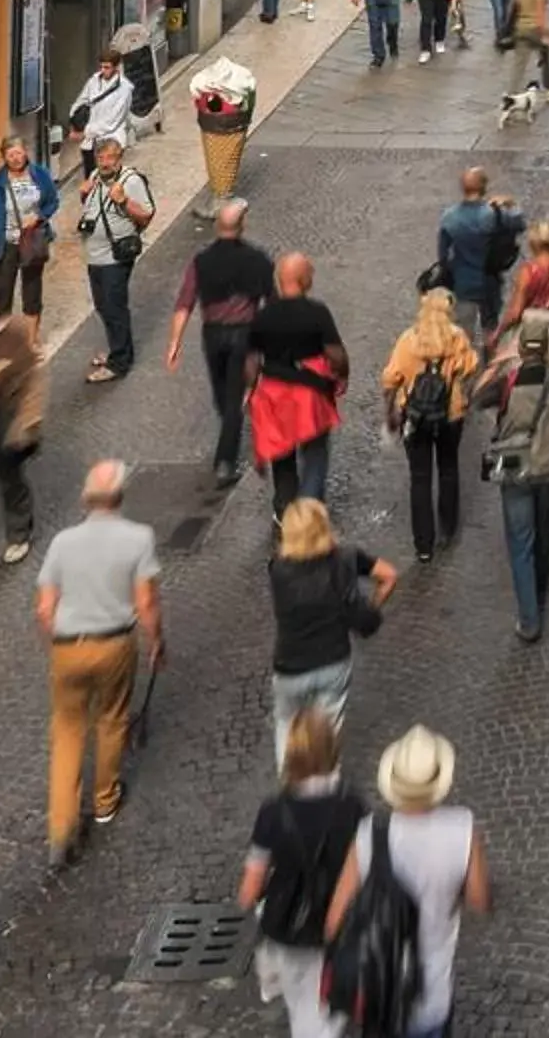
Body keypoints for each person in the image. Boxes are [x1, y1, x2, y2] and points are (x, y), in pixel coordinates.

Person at [36, 460, 162, 867]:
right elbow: (145, 603)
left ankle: (60, 829)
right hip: (114, 644)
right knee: (111, 719)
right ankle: (105, 799)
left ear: (85, 500)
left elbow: (44, 608)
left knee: (68, 731)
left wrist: (59, 640)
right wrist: (157, 640)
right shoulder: (138, 538)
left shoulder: (60, 543)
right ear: (120, 497)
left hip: (68, 645)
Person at [325, 726, 490, 1035]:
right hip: (433, 996)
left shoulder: (369, 834)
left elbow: (334, 922)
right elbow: (479, 901)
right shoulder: (464, 829)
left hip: (381, 997)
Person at [238, 706, 365, 1038]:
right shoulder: (353, 806)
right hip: (341, 922)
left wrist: (258, 898)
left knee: (304, 1010)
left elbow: (249, 890)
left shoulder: (273, 811)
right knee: (333, 1001)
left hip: (291, 923)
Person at [470, 318, 549, 642]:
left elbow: (477, 398)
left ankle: (530, 618)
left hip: (517, 468)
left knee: (520, 539)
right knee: (545, 526)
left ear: (522, 349)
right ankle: (541, 583)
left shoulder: (508, 382)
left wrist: (495, 362)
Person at [268, 498, 397, 768]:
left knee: (286, 727)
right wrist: (370, 607)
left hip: (290, 666)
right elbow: (389, 575)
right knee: (328, 736)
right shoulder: (347, 559)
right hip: (333, 660)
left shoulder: (277, 569)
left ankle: (291, 789)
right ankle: (327, 793)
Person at [165, 199, 274, 485]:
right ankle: (226, 456)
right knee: (234, 397)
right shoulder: (258, 259)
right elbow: (273, 303)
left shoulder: (201, 261)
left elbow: (185, 301)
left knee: (223, 393)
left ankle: (225, 455)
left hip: (212, 335)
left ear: (216, 226)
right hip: (245, 334)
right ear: (242, 226)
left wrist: (175, 341)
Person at [380, 288, 481, 566]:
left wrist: (389, 412)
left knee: (420, 478)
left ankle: (423, 545)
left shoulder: (408, 340)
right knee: (449, 469)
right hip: (450, 415)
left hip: (415, 417)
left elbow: (390, 380)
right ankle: (447, 530)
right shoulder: (457, 338)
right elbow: (471, 369)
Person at [248, 255, 347, 514]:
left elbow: (251, 361)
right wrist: (342, 375)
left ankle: (284, 507)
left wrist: (250, 392)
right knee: (315, 454)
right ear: (304, 280)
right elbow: (335, 354)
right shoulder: (316, 313)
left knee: (282, 457)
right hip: (309, 395)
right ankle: (309, 511)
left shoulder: (263, 316)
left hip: (273, 394)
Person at [0, 269, 45, 563]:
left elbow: (32, 380)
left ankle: (19, 533)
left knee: (9, 480)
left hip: (5, 418)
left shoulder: (12, 334)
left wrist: (28, 423)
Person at [78, 136, 154, 384]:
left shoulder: (131, 181)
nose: (105, 162)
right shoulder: (94, 177)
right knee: (102, 306)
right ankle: (116, 348)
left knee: (114, 307)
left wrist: (124, 201)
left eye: (110, 157)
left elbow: (146, 215)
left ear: (119, 158)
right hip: (94, 255)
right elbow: (90, 209)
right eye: (101, 157)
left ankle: (120, 362)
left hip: (115, 255)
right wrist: (83, 195)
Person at [436, 169, 525, 345]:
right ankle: (489, 363)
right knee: (490, 325)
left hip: (463, 280)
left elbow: (443, 256)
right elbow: (519, 223)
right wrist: (510, 203)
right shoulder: (494, 214)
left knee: (462, 329)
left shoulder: (449, 217)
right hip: (489, 278)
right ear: (484, 187)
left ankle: (463, 366)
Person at [0, 133, 60, 321]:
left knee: (32, 294)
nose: (16, 159)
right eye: (11, 155)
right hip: (6, 245)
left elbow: (52, 201)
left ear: (25, 153)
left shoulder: (40, 175)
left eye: (19, 153)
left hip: (32, 240)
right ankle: (1, 341)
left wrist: (39, 217)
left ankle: (31, 341)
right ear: (4, 158)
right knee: (2, 296)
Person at [496, 217, 549, 363]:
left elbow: (515, 313)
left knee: (495, 368)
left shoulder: (529, 270)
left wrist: (498, 334)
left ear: (533, 244)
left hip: (531, 332)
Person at [67, 46, 133, 177]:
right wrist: (74, 121)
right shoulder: (94, 80)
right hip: (90, 142)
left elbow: (113, 121)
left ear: (116, 67)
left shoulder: (125, 89)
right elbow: (82, 100)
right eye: (101, 67)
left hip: (110, 140)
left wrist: (84, 133)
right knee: (90, 178)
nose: (103, 71)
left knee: (108, 178)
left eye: (107, 67)